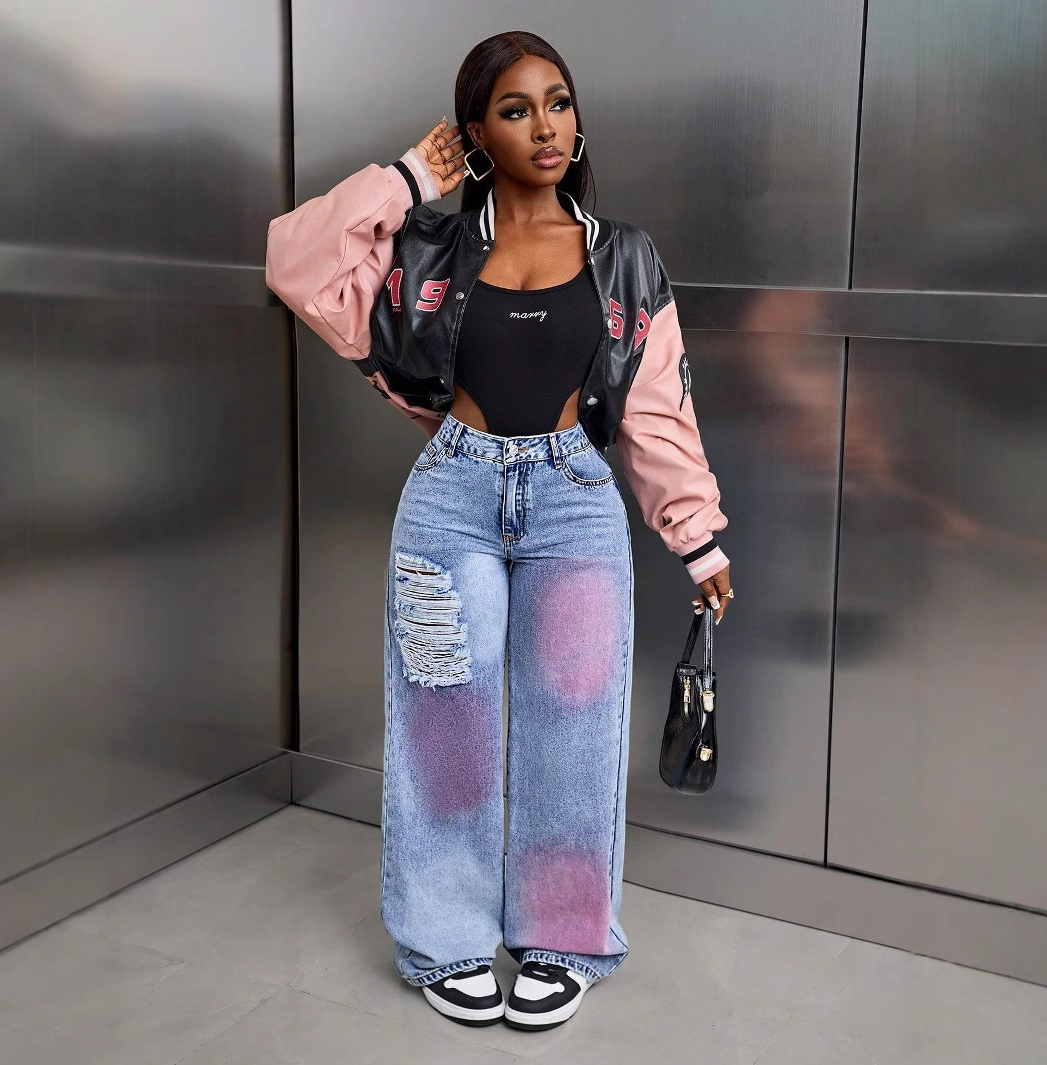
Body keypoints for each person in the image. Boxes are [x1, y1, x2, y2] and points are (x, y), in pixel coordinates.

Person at [266, 30, 733, 1033]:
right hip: (452, 498)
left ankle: (562, 938)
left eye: (558, 102)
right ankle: (445, 937)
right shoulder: (425, 248)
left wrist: (697, 536)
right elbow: (294, 260)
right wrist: (405, 178)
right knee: (446, 730)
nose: (546, 127)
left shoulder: (624, 256)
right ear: (476, 132)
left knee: (576, 729)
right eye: (516, 110)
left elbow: (656, 412)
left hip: (575, 502)